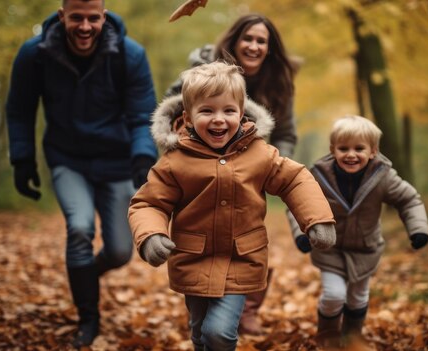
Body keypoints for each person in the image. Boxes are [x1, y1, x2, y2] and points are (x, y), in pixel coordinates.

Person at [128, 61, 336, 351]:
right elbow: (149, 203)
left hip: (241, 259)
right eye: (207, 111)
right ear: (187, 117)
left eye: (228, 111)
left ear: (241, 112)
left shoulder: (258, 153)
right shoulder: (175, 162)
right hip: (192, 260)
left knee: (219, 333)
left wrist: (317, 219)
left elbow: (294, 179)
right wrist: (151, 235)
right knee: (200, 333)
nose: (219, 119)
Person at [5, 0, 158, 347]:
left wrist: (142, 159)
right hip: (67, 158)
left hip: (117, 161)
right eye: (77, 18)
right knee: (79, 228)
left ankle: (85, 274)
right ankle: (88, 318)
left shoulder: (129, 55)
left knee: (120, 251)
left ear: (104, 17)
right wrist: (22, 159)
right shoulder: (35, 54)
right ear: (62, 17)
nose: (85, 26)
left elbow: (142, 115)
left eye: (93, 18)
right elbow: (19, 109)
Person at [165, 13, 300, 335]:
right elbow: (171, 109)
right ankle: (203, 303)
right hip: (198, 167)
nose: (253, 46)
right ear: (234, 40)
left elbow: (287, 133)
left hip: (251, 172)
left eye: (261, 41)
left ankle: (247, 309)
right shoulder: (204, 70)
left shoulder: (278, 81)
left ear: (270, 48)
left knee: (249, 237)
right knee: (202, 232)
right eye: (248, 38)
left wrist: (270, 165)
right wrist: (176, 157)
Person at [287, 115, 428, 349]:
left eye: (359, 148)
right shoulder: (319, 176)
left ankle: (352, 337)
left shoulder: (383, 176)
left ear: (373, 151)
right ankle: (328, 336)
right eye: (343, 148)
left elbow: (409, 200)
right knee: (334, 295)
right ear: (333, 149)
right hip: (329, 248)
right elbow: (298, 203)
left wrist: (418, 229)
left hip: (366, 249)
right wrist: (302, 233)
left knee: (357, 297)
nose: (350, 154)